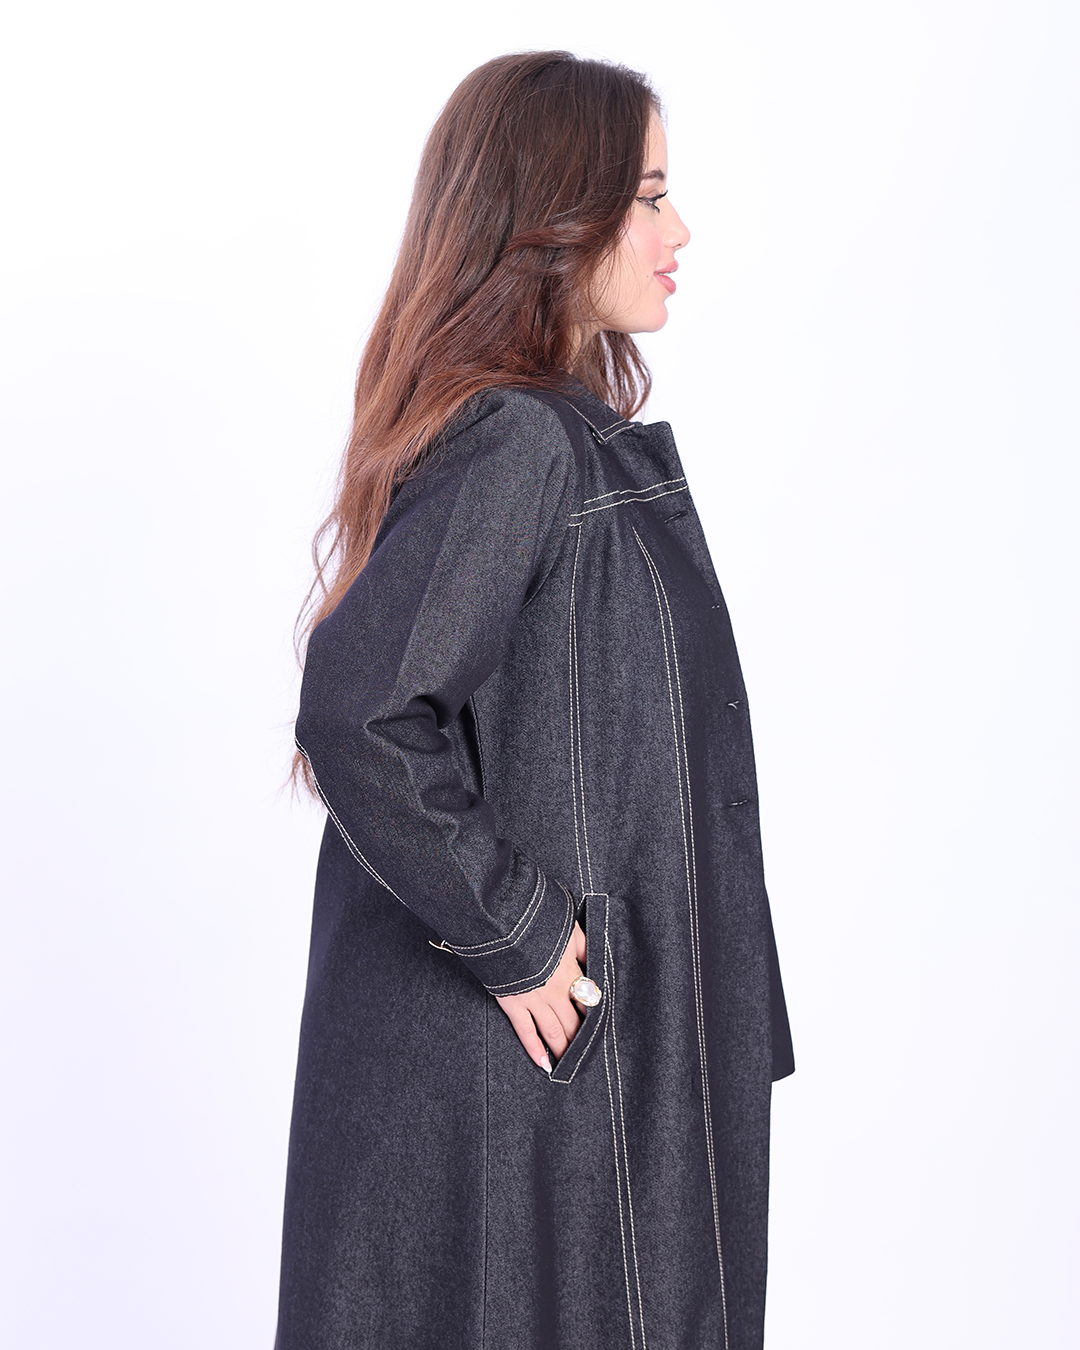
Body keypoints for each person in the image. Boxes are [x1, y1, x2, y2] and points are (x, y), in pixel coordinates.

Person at [275, 50, 794, 1350]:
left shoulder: (564, 440)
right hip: (535, 1102)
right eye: (650, 197)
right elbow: (360, 708)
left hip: (582, 1089)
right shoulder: (521, 442)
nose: (680, 231)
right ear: (560, 219)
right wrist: (514, 931)